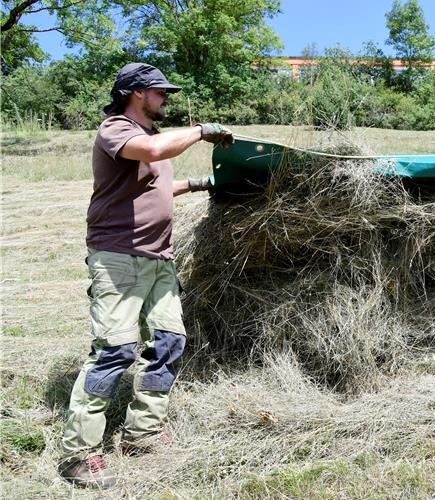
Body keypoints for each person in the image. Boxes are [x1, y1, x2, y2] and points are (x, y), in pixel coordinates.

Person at [58, 62, 234, 489]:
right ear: (137, 93)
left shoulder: (151, 139)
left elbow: (155, 184)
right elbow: (154, 155)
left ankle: (143, 434)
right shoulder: (115, 130)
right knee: (115, 351)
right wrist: (203, 130)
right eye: (160, 92)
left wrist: (200, 184)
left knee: (169, 342)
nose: (166, 98)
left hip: (159, 258)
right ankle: (78, 455)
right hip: (118, 257)